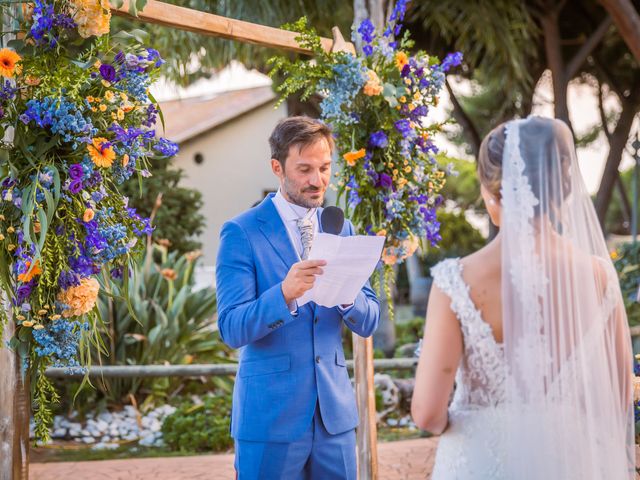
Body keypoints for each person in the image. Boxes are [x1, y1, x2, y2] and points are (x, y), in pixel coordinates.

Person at [411, 116, 634, 479]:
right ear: (560, 189)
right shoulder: (599, 276)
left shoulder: (457, 280)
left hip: (482, 461)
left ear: (493, 192)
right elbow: (618, 397)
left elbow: (426, 413)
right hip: (572, 461)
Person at [216, 116, 380, 479]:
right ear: (277, 168)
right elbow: (230, 328)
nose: (317, 180)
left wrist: (347, 297)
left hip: (334, 419)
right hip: (269, 420)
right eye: (304, 169)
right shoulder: (241, 232)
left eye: (324, 168)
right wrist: (284, 295)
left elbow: (369, 321)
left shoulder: (342, 226)